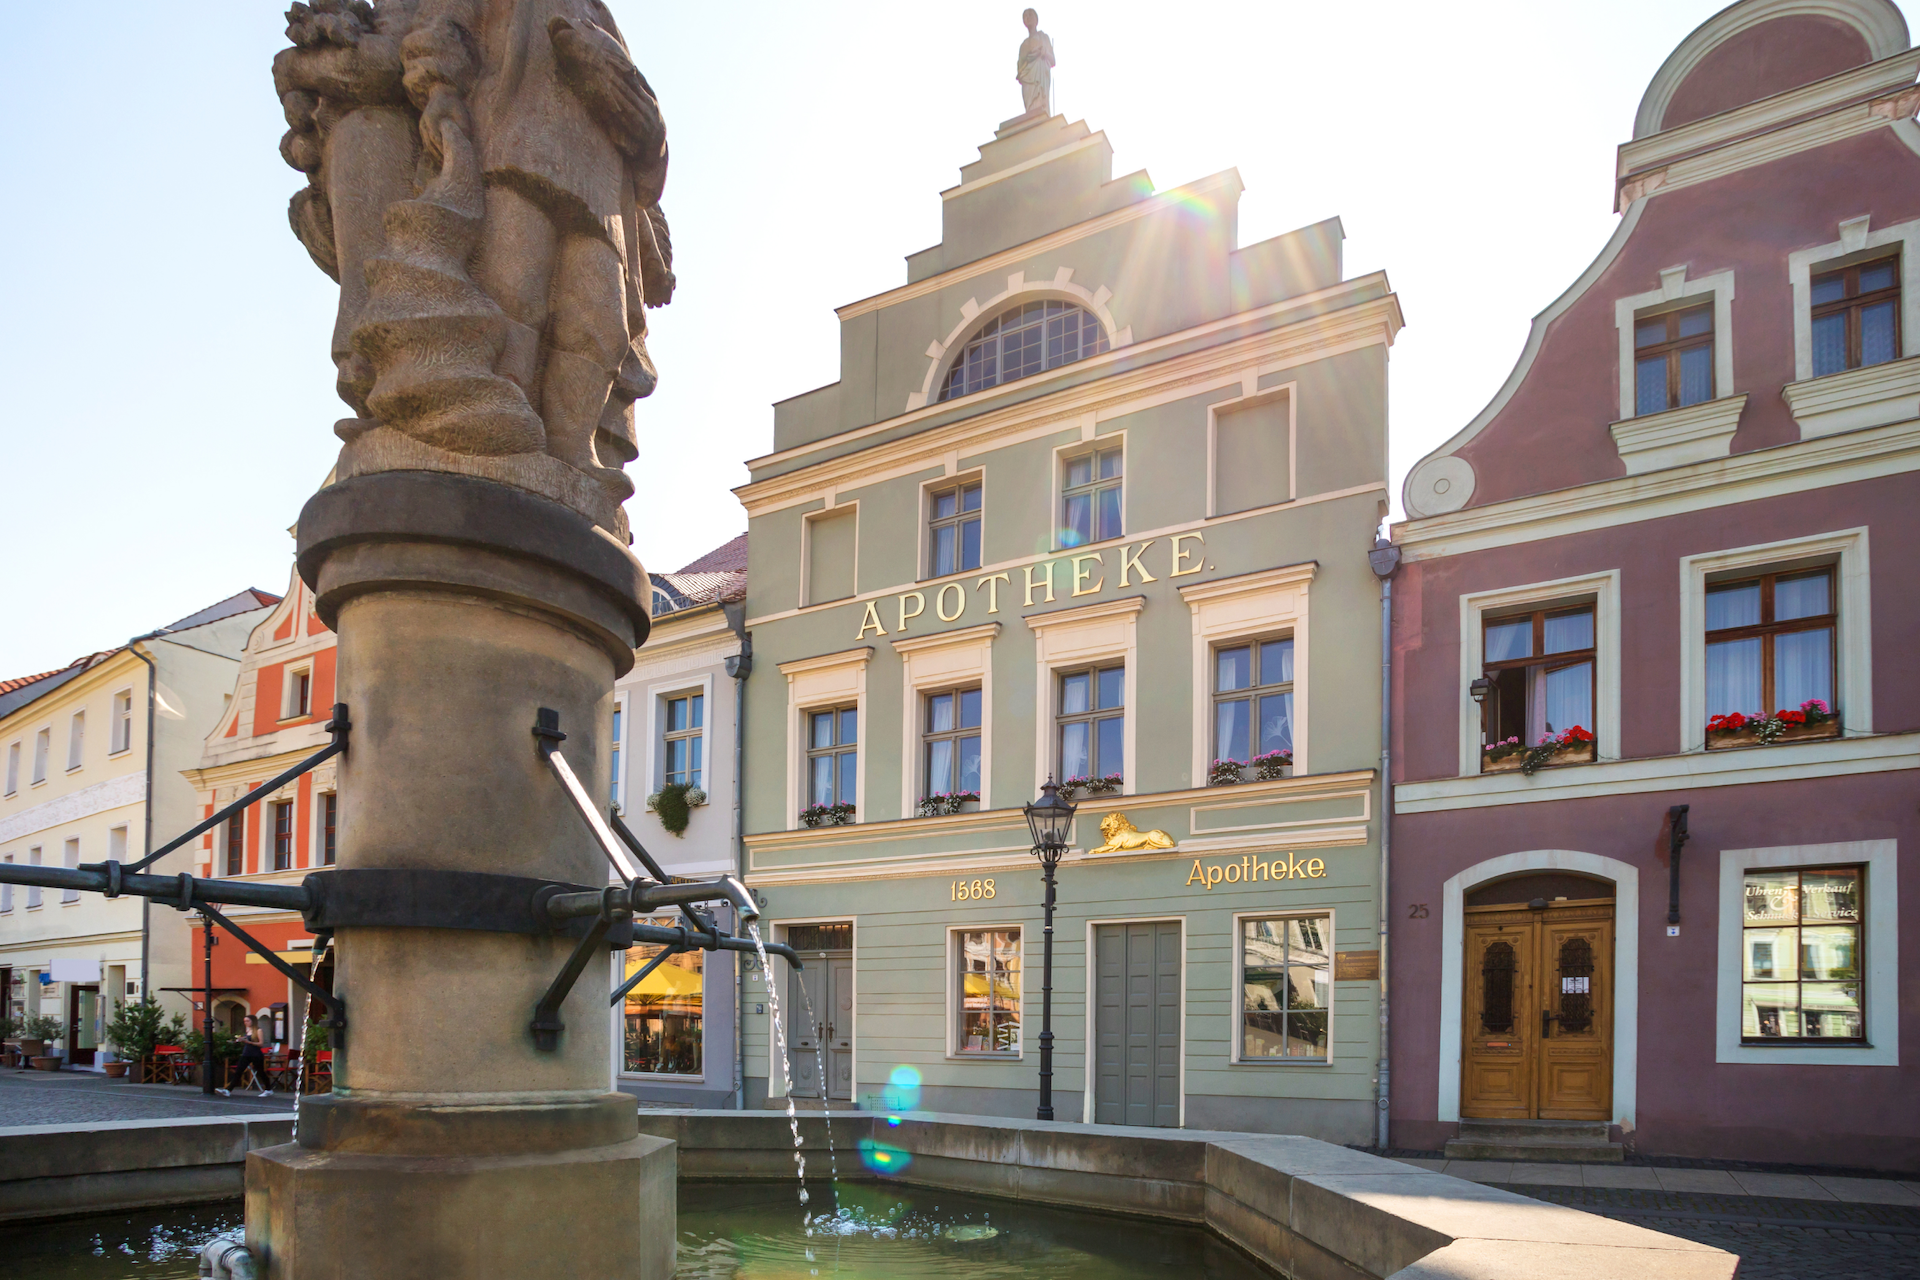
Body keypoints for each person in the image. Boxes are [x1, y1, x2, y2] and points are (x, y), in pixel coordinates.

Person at [217, 1015, 273, 1097]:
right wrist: (239, 1040)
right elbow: (246, 1040)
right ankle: (228, 1090)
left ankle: (268, 1089)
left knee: (261, 1072)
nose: (245, 1023)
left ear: (252, 1021)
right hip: (246, 1053)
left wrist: (249, 1042)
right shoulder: (248, 1030)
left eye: (247, 1021)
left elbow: (261, 1044)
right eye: (244, 1021)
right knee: (238, 1071)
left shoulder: (258, 1030)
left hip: (256, 1054)